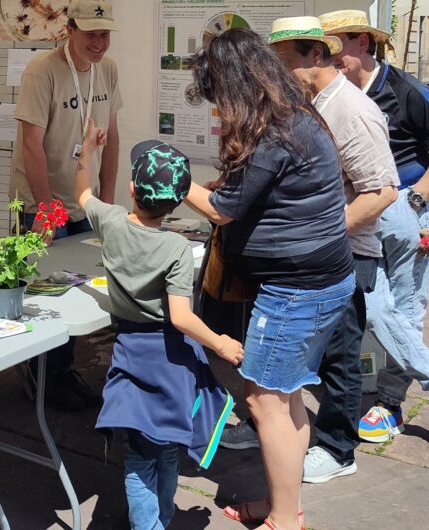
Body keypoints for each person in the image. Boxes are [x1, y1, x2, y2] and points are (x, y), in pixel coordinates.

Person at [182, 28, 354, 530]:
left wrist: (173, 177)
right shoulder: (293, 116)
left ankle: (283, 521)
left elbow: (222, 209)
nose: (218, 108)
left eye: (218, 95)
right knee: (288, 397)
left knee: (263, 402)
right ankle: (284, 505)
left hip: (296, 291)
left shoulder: (275, 130)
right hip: (322, 281)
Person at [320, 10, 429, 457]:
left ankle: (390, 405)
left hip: (411, 211)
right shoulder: (335, 93)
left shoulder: (404, 88)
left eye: (337, 46)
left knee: (404, 312)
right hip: (366, 213)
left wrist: (414, 201)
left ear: (363, 43)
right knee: (374, 307)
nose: (331, 57)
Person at [75, 119, 242, 530]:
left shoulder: (111, 223)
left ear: (132, 189)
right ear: (178, 202)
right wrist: (220, 343)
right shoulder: (175, 247)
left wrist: (87, 148)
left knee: (137, 455)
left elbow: (82, 192)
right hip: (170, 361)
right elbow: (182, 317)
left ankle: (151, 523)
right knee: (168, 448)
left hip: (131, 353)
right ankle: (159, 520)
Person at [267, 17, 398, 483]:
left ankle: (339, 449)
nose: (279, 76)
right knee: (316, 352)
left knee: (341, 354)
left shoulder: (351, 109)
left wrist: (324, 233)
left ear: (316, 56)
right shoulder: (313, 103)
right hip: (318, 252)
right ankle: (306, 435)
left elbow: (381, 191)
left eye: (285, 65)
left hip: (347, 252)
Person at [9, 0, 122, 410]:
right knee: (41, 292)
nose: (99, 43)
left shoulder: (107, 70)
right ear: (69, 30)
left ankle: (61, 371)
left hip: (83, 201)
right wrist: (45, 209)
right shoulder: (43, 71)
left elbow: (113, 138)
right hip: (40, 203)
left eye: (105, 34)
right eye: (90, 34)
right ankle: (41, 378)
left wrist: (106, 201)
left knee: (78, 290)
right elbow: (32, 145)